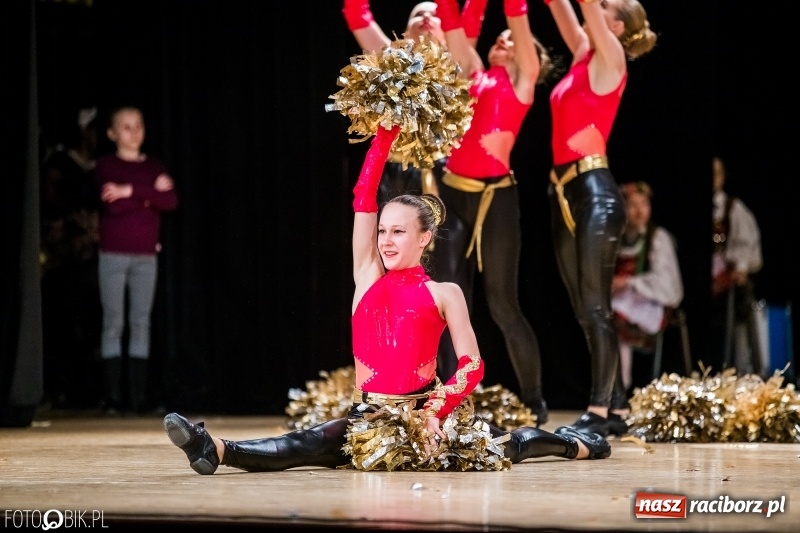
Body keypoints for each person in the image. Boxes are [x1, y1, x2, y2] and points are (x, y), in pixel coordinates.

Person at [163, 124, 611, 475]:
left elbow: (472, 365)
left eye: (398, 231)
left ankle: (573, 442)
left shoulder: (444, 293)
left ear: (425, 238)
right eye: (383, 230)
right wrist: (384, 137)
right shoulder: (367, 277)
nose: (386, 239)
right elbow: (363, 199)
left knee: (508, 443)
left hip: (427, 414)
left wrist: (435, 415)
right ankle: (213, 447)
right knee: (308, 443)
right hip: (372, 416)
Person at [342, 0, 483, 383]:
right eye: (416, 13)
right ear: (402, 32)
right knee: (386, 281)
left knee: (448, 286)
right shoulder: (389, 60)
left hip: (446, 184)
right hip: (396, 180)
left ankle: (448, 388)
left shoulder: (460, 61)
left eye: (435, 14)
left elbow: (470, 17)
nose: (425, 17)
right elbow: (357, 14)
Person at [426, 0, 552, 425]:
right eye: (499, 37)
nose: (503, 37)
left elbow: (517, 17)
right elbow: (452, 22)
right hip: (452, 195)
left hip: (496, 198)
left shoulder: (522, 80)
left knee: (502, 305)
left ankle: (534, 400)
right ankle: (451, 401)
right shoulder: (472, 72)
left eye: (511, 39)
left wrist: (516, 13)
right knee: (447, 302)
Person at [543, 0, 657, 437]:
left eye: (605, 6)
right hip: (562, 192)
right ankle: (618, 405)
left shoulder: (611, 55)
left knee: (595, 306)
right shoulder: (584, 55)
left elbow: (584, 6)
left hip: (595, 191)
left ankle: (600, 410)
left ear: (615, 25)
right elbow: (561, 8)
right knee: (582, 307)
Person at [94, 105, 178, 415]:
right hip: (113, 254)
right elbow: (112, 206)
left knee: (140, 322)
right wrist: (147, 194)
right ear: (112, 133)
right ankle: (113, 398)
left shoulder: (153, 165)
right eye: (126, 127)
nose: (134, 132)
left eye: (138, 125)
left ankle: (138, 398)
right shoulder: (106, 165)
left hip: (145, 256)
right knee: (114, 322)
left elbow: (170, 201)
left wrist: (129, 191)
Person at [39, 106, 103, 409]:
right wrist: (72, 219)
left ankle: (89, 390)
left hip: (92, 251)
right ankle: (60, 389)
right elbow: (49, 195)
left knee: (92, 321)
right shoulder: (61, 161)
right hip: (64, 253)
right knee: (65, 320)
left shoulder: (99, 166)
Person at [611, 182, 683, 392]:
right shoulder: (617, 238)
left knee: (614, 317)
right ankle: (617, 386)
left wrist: (629, 283)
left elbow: (669, 285)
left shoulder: (657, 238)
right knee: (604, 317)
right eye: (633, 205)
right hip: (622, 302)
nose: (639, 210)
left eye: (643, 204)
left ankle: (619, 387)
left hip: (651, 305)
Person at [711, 156, 763, 375]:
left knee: (735, 335)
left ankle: (739, 373)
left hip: (727, 285)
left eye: (717, 173)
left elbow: (748, 246)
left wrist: (739, 268)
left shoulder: (733, 208)